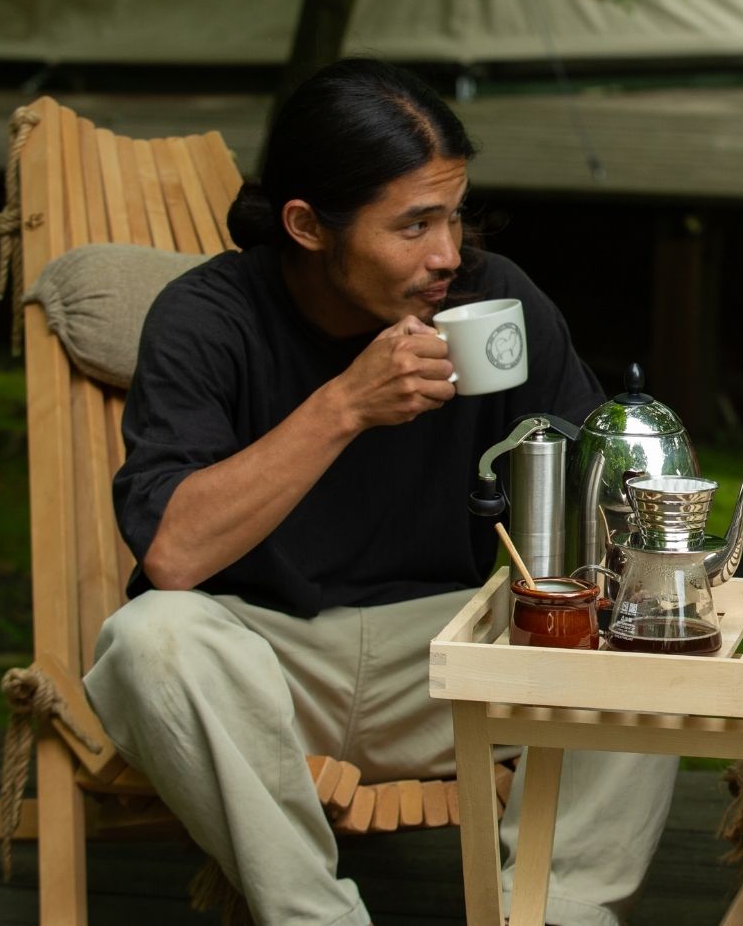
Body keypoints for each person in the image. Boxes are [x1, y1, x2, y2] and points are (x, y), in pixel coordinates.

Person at [84, 59, 675, 926]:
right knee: (148, 642)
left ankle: (552, 912)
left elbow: (605, 495)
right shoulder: (209, 319)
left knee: (642, 635)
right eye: (413, 224)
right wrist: (346, 405)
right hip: (270, 661)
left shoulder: (495, 301)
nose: (446, 254)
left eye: (454, 214)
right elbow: (173, 552)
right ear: (307, 225)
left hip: (453, 653)